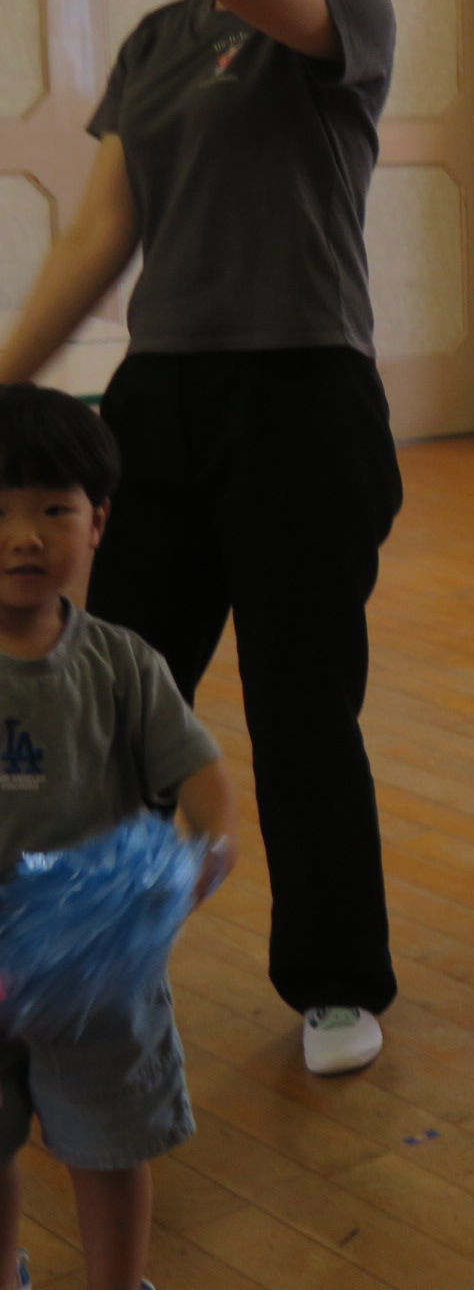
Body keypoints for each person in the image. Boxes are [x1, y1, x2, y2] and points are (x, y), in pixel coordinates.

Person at [0, 0, 403, 1075]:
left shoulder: (342, 11)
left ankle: (335, 982)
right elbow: (100, 235)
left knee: (300, 709)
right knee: (107, 698)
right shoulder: (156, 45)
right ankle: (73, 948)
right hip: (159, 402)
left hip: (304, 400)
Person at [0, 386, 239, 1290]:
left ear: (97, 522)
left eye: (52, 510)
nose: (24, 537)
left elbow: (205, 784)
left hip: (98, 969)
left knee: (110, 1144)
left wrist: (205, 853)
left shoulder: (123, 664)